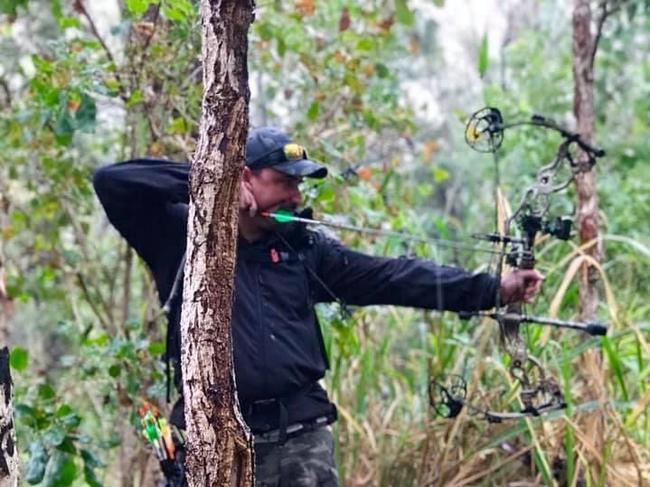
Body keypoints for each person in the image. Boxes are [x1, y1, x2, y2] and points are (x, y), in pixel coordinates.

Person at [93, 126, 543, 487]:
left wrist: (494, 288)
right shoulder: (181, 238)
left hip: (298, 442)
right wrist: (210, 182)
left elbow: (395, 277)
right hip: (209, 441)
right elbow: (112, 182)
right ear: (245, 177)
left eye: (298, 185)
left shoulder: (304, 250)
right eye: (284, 182)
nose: (296, 196)